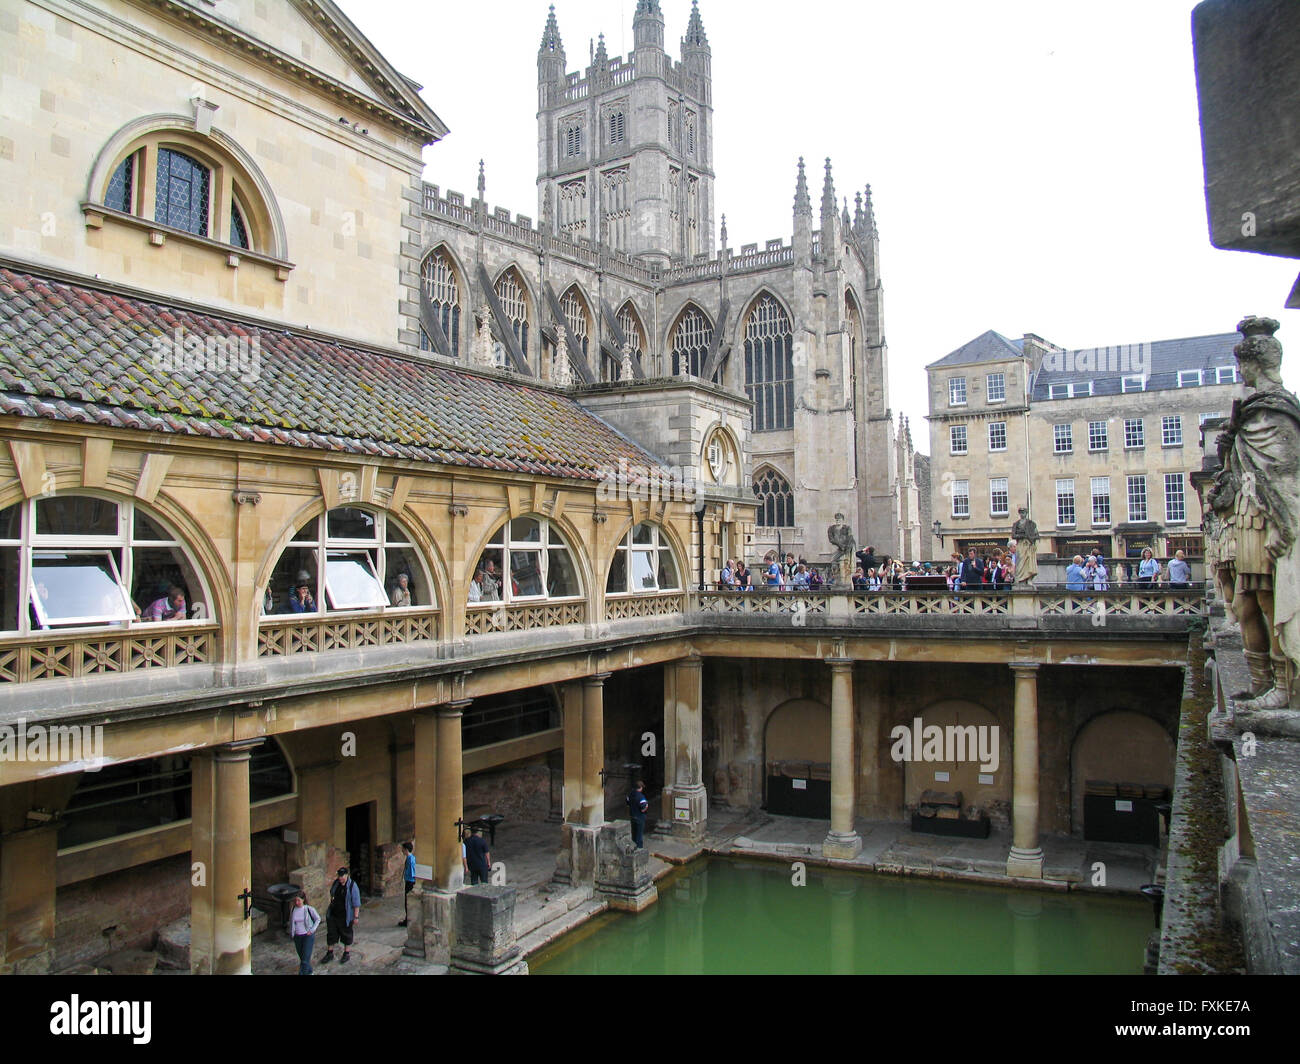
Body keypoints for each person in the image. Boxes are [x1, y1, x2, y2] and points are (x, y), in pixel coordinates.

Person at [322, 866, 361, 965]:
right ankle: (330, 953)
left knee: (346, 934)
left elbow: (356, 903)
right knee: (331, 934)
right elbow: (332, 894)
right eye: (339, 876)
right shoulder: (336, 883)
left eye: (342, 876)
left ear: (347, 875)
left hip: (346, 916)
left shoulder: (352, 886)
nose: (340, 878)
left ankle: (346, 953)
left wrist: (356, 917)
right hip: (334, 914)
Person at [288, 893, 321, 976]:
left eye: (298, 900)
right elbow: (292, 922)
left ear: (303, 900)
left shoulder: (309, 909)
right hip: (297, 936)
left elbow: (318, 919)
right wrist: (292, 933)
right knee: (303, 957)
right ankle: (309, 972)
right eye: (295, 900)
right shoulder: (293, 909)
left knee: (305, 959)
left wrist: (312, 930)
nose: (297, 902)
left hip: (307, 936)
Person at [626, 779, 649, 849]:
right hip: (640, 817)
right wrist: (646, 807)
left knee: (634, 834)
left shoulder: (630, 794)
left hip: (632, 816)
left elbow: (627, 804)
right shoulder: (641, 797)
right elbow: (643, 808)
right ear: (641, 787)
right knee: (639, 835)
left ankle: (633, 848)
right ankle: (639, 849)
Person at [397, 841, 416, 928]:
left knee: (407, 901)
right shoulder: (410, 858)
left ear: (406, 850)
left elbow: (412, 872)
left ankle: (408, 919)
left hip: (410, 881)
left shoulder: (410, 859)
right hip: (408, 880)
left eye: (403, 849)